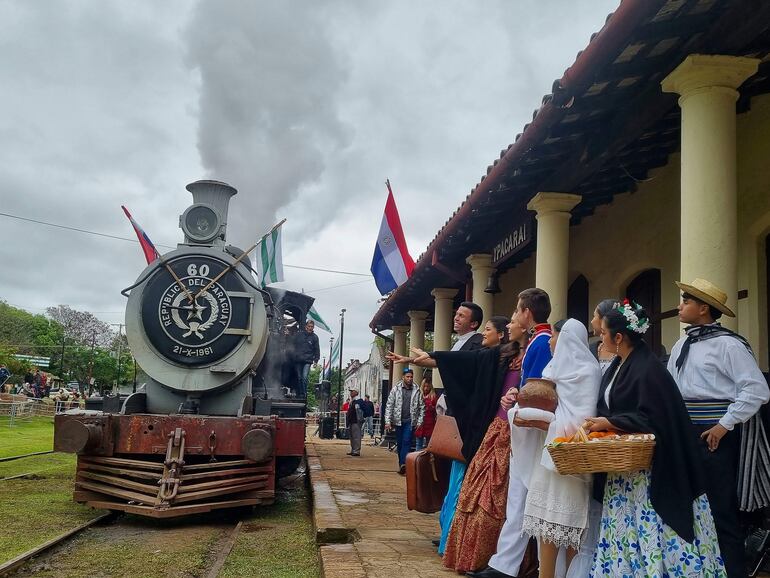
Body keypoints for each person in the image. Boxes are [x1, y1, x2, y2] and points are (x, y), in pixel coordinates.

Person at [585, 300, 725, 577]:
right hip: (624, 470)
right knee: (625, 530)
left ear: (619, 337)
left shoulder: (648, 369)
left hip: (651, 473)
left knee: (652, 529)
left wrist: (611, 422)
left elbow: (656, 417)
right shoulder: (619, 365)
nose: (600, 337)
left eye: (603, 333)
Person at [667, 278, 770, 578]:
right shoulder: (681, 344)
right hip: (687, 433)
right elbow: (673, 390)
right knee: (689, 508)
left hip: (715, 435)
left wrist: (724, 425)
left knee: (721, 511)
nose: (679, 306)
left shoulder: (729, 345)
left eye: (685, 302)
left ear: (703, 309)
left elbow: (757, 390)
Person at [471, 288, 553, 578]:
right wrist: (516, 394)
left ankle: (510, 564)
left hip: (533, 429)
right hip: (525, 424)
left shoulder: (542, 343)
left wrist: (519, 397)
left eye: (517, 311)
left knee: (523, 495)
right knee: (518, 496)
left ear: (527, 313)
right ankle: (504, 563)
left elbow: (542, 391)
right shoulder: (536, 341)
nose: (514, 317)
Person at [438, 315, 528, 573]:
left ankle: (494, 560)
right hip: (494, 430)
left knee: (496, 500)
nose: (510, 324)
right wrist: (429, 358)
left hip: (514, 432)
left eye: (513, 319)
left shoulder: (534, 350)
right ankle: (469, 557)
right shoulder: (502, 355)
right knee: (471, 495)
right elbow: (467, 364)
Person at [517, 319, 600, 578]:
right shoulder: (554, 367)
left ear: (566, 339)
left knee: (571, 526)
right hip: (548, 455)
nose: (550, 341)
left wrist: (542, 419)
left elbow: (581, 419)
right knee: (545, 524)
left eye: (553, 336)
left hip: (571, 457)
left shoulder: (589, 371)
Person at [383, 368, 425, 474]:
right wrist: (387, 421)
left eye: (411, 377)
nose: (410, 379)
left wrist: (419, 422)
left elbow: (422, 407)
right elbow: (389, 405)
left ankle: (404, 464)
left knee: (406, 441)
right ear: (403, 377)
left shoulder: (417, 390)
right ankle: (401, 464)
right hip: (398, 421)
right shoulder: (396, 389)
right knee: (400, 443)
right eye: (408, 376)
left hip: (410, 421)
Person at [589, 299, 619, 373]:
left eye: (594, 316)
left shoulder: (624, 352)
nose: (591, 321)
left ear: (604, 320)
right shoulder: (590, 349)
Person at [293, 320, 320, 398]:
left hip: (308, 360)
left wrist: (316, 360)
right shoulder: (299, 335)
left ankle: (304, 394)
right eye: (309, 326)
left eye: (312, 327)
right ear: (306, 327)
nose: (310, 328)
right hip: (298, 359)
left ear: (313, 327)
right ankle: (300, 393)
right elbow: (293, 342)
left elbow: (317, 349)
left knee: (304, 377)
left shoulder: (315, 337)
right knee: (299, 377)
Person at [414, 377, 437, 451]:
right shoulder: (418, 396)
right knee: (418, 444)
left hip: (430, 423)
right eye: (424, 386)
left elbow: (436, 410)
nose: (426, 388)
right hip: (420, 423)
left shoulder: (433, 397)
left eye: (427, 386)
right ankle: (417, 460)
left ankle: (427, 460)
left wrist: (431, 407)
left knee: (429, 445)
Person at [346, 389, 364, 456]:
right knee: (352, 436)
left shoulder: (358, 401)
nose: (351, 393)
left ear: (356, 392)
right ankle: (353, 449)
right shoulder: (352, 401)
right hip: (352, 420)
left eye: (352, 391)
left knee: (356, 436)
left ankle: (356, 450)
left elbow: (359, 411)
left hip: (356, 420)